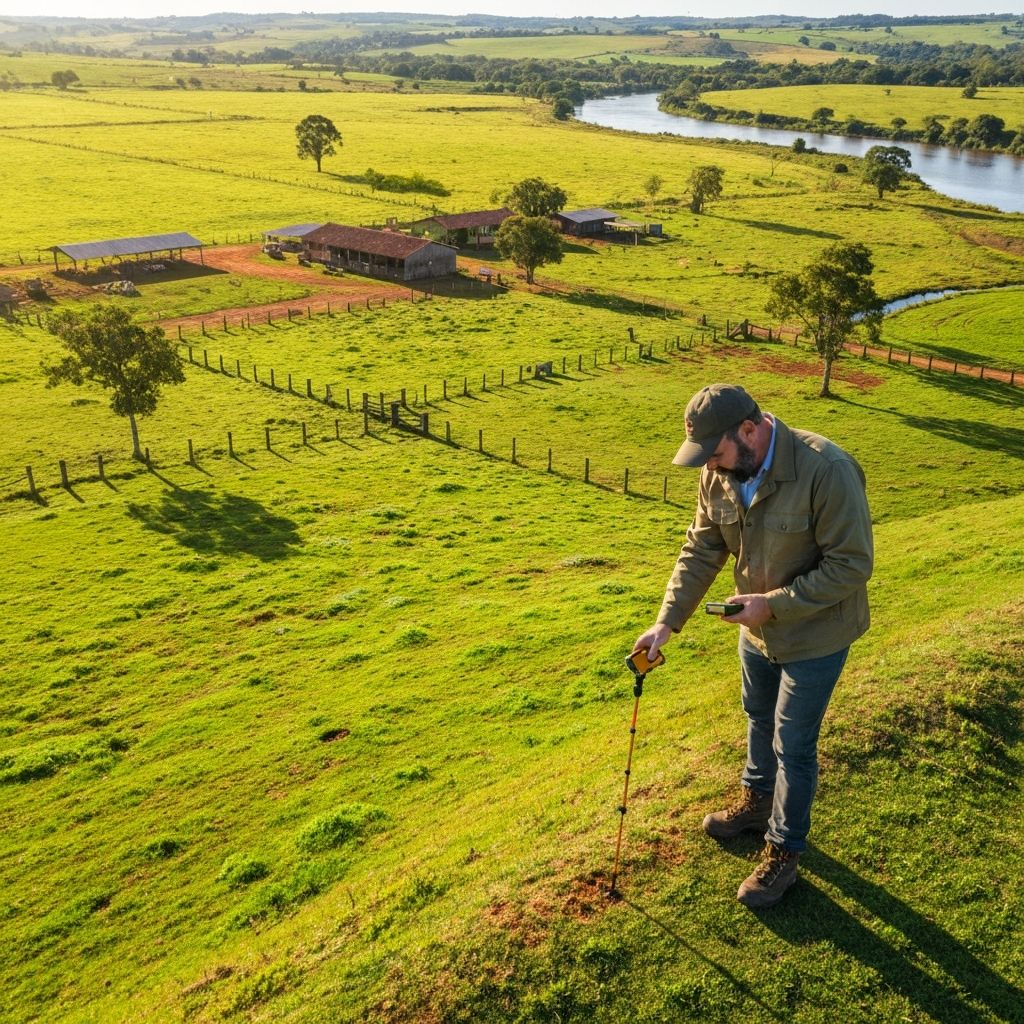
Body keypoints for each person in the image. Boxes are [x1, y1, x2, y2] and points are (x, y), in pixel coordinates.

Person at [632, 383, 873, 909]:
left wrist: (776, 603)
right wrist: (665, 624)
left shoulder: (825, 469)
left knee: (794, 744)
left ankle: (784, 851)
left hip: (817, 633)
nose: (712, 468)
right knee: (757, 716)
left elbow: (852, 566)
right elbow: (700, 549)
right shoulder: (717, 473)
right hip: (756, 630)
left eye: (716, 454)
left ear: (748, 430)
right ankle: (756, 801)